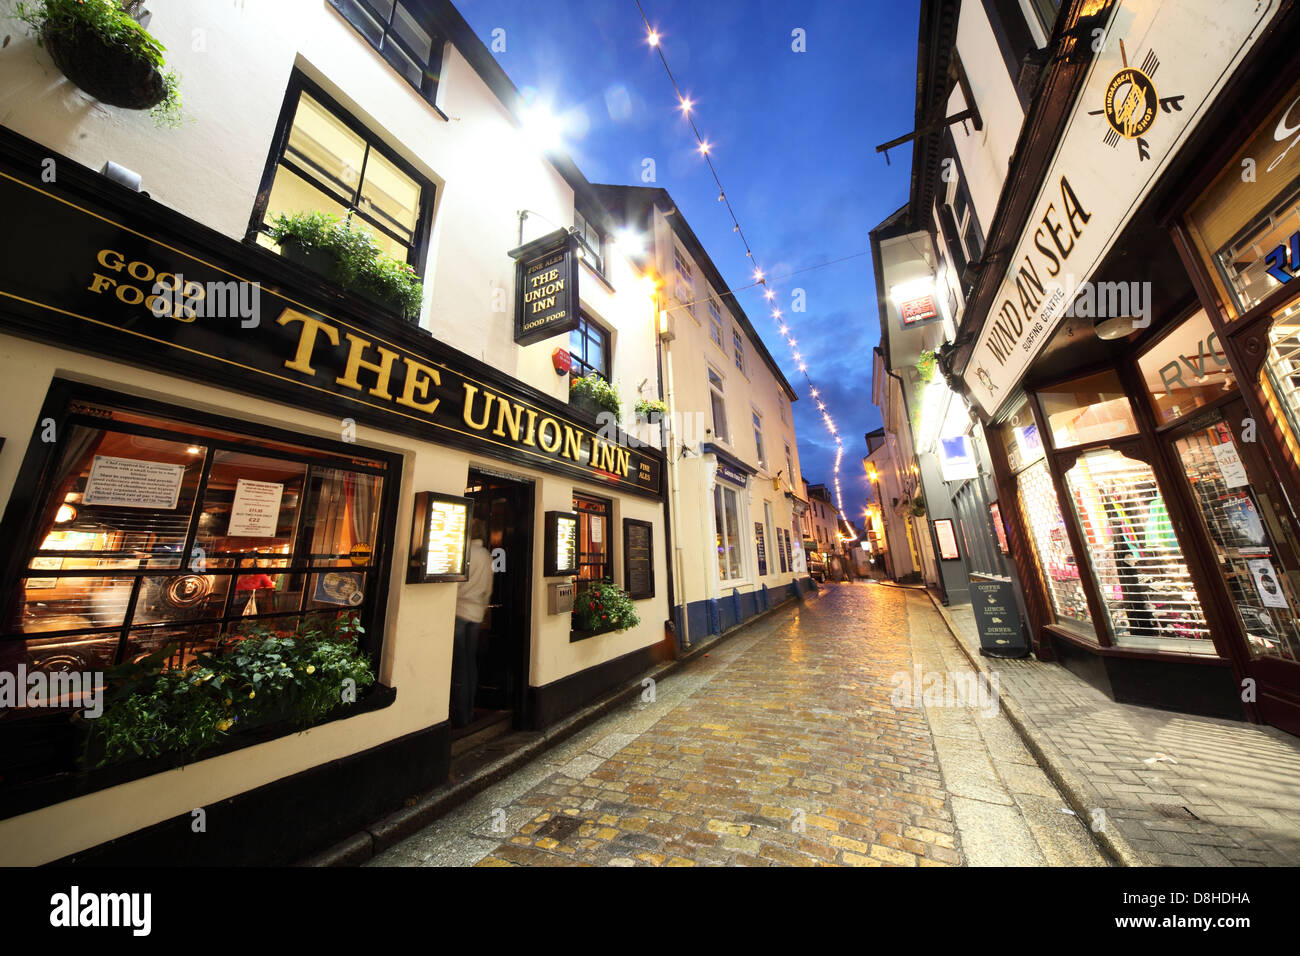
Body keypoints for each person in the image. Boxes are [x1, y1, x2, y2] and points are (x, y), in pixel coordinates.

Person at [451, 519, 493, 728]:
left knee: (458, 665)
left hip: (458, 612)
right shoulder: (486, 556)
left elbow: (454, 585)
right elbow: (488, 589)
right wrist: (483, 609)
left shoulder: (463, 552)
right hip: (476, 615)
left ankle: (459, 716)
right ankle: (469, 711)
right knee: (470, 664)